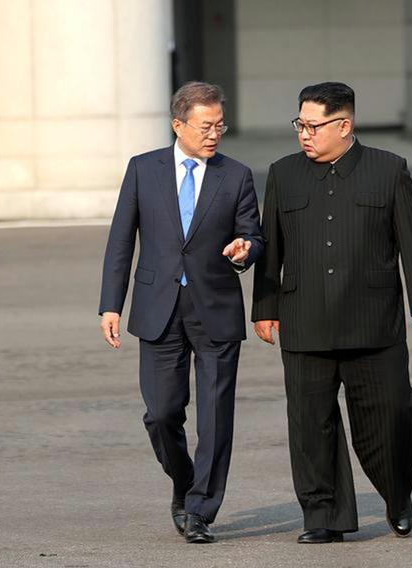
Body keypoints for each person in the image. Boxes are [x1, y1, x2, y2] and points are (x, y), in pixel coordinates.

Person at [251, 82, 412, 544]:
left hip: (373, 321)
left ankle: (398, 493)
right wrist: (263, 308)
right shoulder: (284, 174)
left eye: (313, 125)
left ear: (344, 124)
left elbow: (411, 242)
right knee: (311, 425)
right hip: (304, 320)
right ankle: (323, 516)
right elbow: (271, 245)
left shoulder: (388, 170)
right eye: (300, 124)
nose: (304, 134)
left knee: (393, 416)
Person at [99, 81, 263, 544]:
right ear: (179, 125)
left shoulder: (237, 175)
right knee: (161, 413)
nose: (214, 134)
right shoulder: (143, 169)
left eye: (220, 125)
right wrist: (111, 304)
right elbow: (120, 240)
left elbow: (255, 234)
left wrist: (244, 248)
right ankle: (184, 480)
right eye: (205, 126)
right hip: (157, 308)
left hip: (215, 307)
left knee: (215, 417)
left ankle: (200, 510)